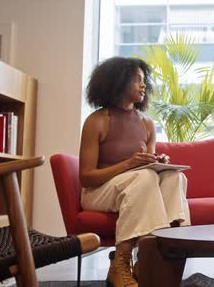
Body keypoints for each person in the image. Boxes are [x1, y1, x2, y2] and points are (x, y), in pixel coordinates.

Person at [79, 57, 190, 287]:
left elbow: (145, 167)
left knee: (173, 176)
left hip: (137, 187)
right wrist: (129, 164)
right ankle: (120, 263)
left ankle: (156, 256)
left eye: (144, 81)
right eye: (137, 80)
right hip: (98, 192)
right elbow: (86, 177)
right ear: (118, 81)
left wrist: (158, 161)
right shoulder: (97, 121)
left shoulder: (147, 124)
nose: (144, 85)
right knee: (145, 176)